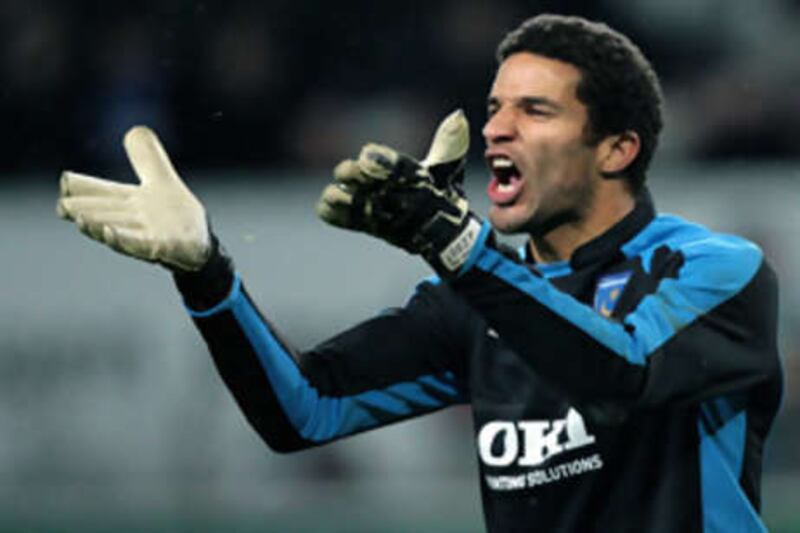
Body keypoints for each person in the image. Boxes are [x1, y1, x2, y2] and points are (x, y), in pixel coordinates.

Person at [57, 14, 782, 533]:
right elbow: (304, 409)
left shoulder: (715, 269)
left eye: (535, 110)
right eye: (495, 108)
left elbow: (618, 375)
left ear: (617, 149)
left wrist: (464, 252)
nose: (497, 128)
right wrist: (207, 274)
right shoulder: (467, 301)